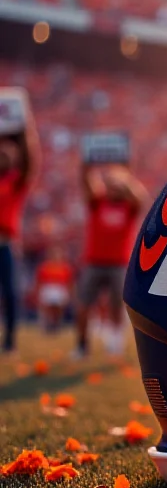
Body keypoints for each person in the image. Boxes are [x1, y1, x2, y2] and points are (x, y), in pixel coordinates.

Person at [76, 163, 147, 356]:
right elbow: (86, 181)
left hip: (119, 263)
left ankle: (115, 341)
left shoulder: (129, 206)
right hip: (94, 261)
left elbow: (141, 197)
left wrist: (124, 181)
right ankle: (82, 345)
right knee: (84, 303)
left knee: (117, 305)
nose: (113, 188)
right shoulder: (98, 201)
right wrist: (89, 164)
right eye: (110, 184)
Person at [0, 89, 40, 353]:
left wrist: (26, 128)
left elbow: (30, 160)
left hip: (5, 244)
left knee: (11, 294)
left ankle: (10, 341)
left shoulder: (16, 182)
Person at [35, 245, 74, 332]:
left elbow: (70, 283)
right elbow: (39, 282)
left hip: (60, 289)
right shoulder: (44, 267)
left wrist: (70, 294)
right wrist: (37, 293)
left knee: (58, 306)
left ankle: (56, 324)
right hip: (48, 288)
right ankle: (47, 324)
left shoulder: (65, 268)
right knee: (47, 305)